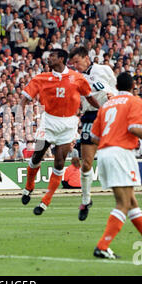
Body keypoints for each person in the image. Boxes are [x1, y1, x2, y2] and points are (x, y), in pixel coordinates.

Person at [90, 72, 142, 259]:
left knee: (131, 202)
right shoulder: (135, 101)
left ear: (116, 87)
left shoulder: (107, 105)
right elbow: (133, 128)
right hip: (121, 153)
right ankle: (102, 246)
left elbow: (94, 137)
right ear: (133, 86)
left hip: (104, 153)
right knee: (123, 203)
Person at [19, 48, 100, 215]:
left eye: (52, 56)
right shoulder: (41, 78)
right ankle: (29, 187)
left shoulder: (77, 78)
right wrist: (20, 113)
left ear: (62, 59)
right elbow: (25, 98)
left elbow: (89, 96)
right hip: (47, 123)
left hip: (68, 125)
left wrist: (103, 109)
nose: (49, 59)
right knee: (37, 155)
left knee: (59, 162)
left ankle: (45, 202)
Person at [68, 46, 118, 221]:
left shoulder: (103, 69)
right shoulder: (75, 78)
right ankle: (86, 200)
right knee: (87, 163)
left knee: (114, 156)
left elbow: (114, 88)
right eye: (72, 63)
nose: (75, 65)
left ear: (86, 58)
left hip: (108, 113)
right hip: (90, 116)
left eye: (77, 62)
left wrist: (114, 100)